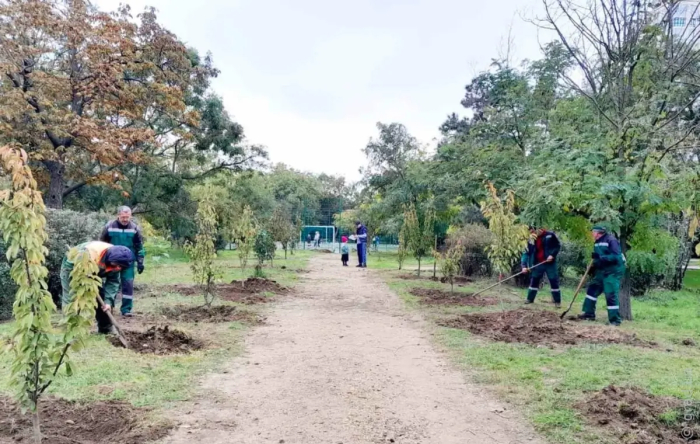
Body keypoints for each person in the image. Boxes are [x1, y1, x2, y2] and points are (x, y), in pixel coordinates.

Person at [60, 241, 134, 334]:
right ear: (110, 259)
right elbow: (71, 264)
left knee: (103, 300)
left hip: (94, 271)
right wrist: (84, 278)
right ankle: (69, 330)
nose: (118, 268)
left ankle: (106, 329)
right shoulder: (89, 253)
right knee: (71, 298)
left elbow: (113, 282)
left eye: (122, 267)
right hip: (72, 268)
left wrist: (108, 302)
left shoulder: (118, 258)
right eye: (117, 265)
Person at [100, 206, 145, 317]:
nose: (125, 219)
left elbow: (139, 246)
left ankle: (126, 309)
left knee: (128, 283)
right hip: (113, 260)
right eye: (123, 217)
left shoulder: (134, 228)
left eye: (127, 217)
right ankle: (110, 306)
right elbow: (101, 243)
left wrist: (140, 261)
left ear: (130, 216)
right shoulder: (109, 226)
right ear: (118, 215)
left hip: (128, 261)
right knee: (112, 282)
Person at [579, 225, 625, 326]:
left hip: (613, 271)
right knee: (592, 289)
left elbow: (616, 257)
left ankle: (615, 320)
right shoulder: (597, 242)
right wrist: (593, 266)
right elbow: (597, 258)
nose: (592, 234)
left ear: (598, 232)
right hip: (602, 270)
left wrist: (600, 257)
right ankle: (589, 314)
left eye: (593, 232)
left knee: (610, 294)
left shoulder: (611, 240)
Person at [521, 227, 562, 307]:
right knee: (534, 280)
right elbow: (525, 253)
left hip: (550, 263)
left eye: (534, 230)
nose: (533, 232)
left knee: (553, 281)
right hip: (538, 263)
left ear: (540, 229)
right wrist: (524, 266)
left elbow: (557, 246)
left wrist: (552, 255)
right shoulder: (531, 239)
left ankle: (557, 302)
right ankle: (530, 299)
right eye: (531, 231)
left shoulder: (550, 235)